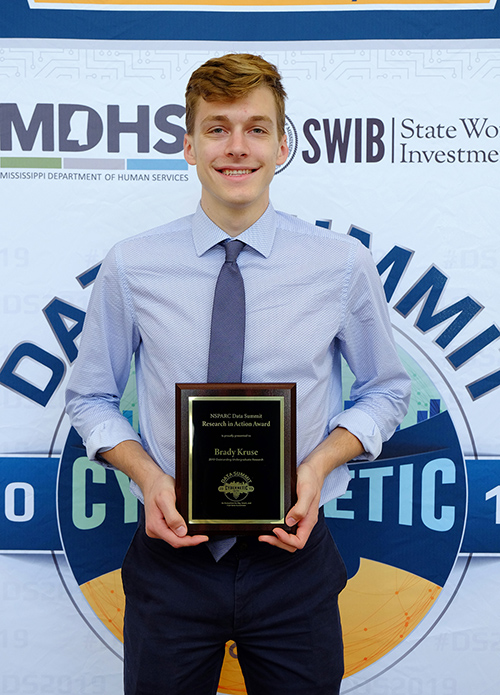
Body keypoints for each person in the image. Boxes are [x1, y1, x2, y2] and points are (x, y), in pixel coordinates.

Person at [66, 53, 411, 695]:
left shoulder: (340, 265)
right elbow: (89, 397)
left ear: (283, 145)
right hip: (172, 563)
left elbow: (386, 390)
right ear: (189, 144)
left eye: (256, 128)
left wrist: (317, 468)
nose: (237, 147)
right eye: (218, 128)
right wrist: (149, 478)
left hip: (294, 560)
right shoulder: (132, 266)